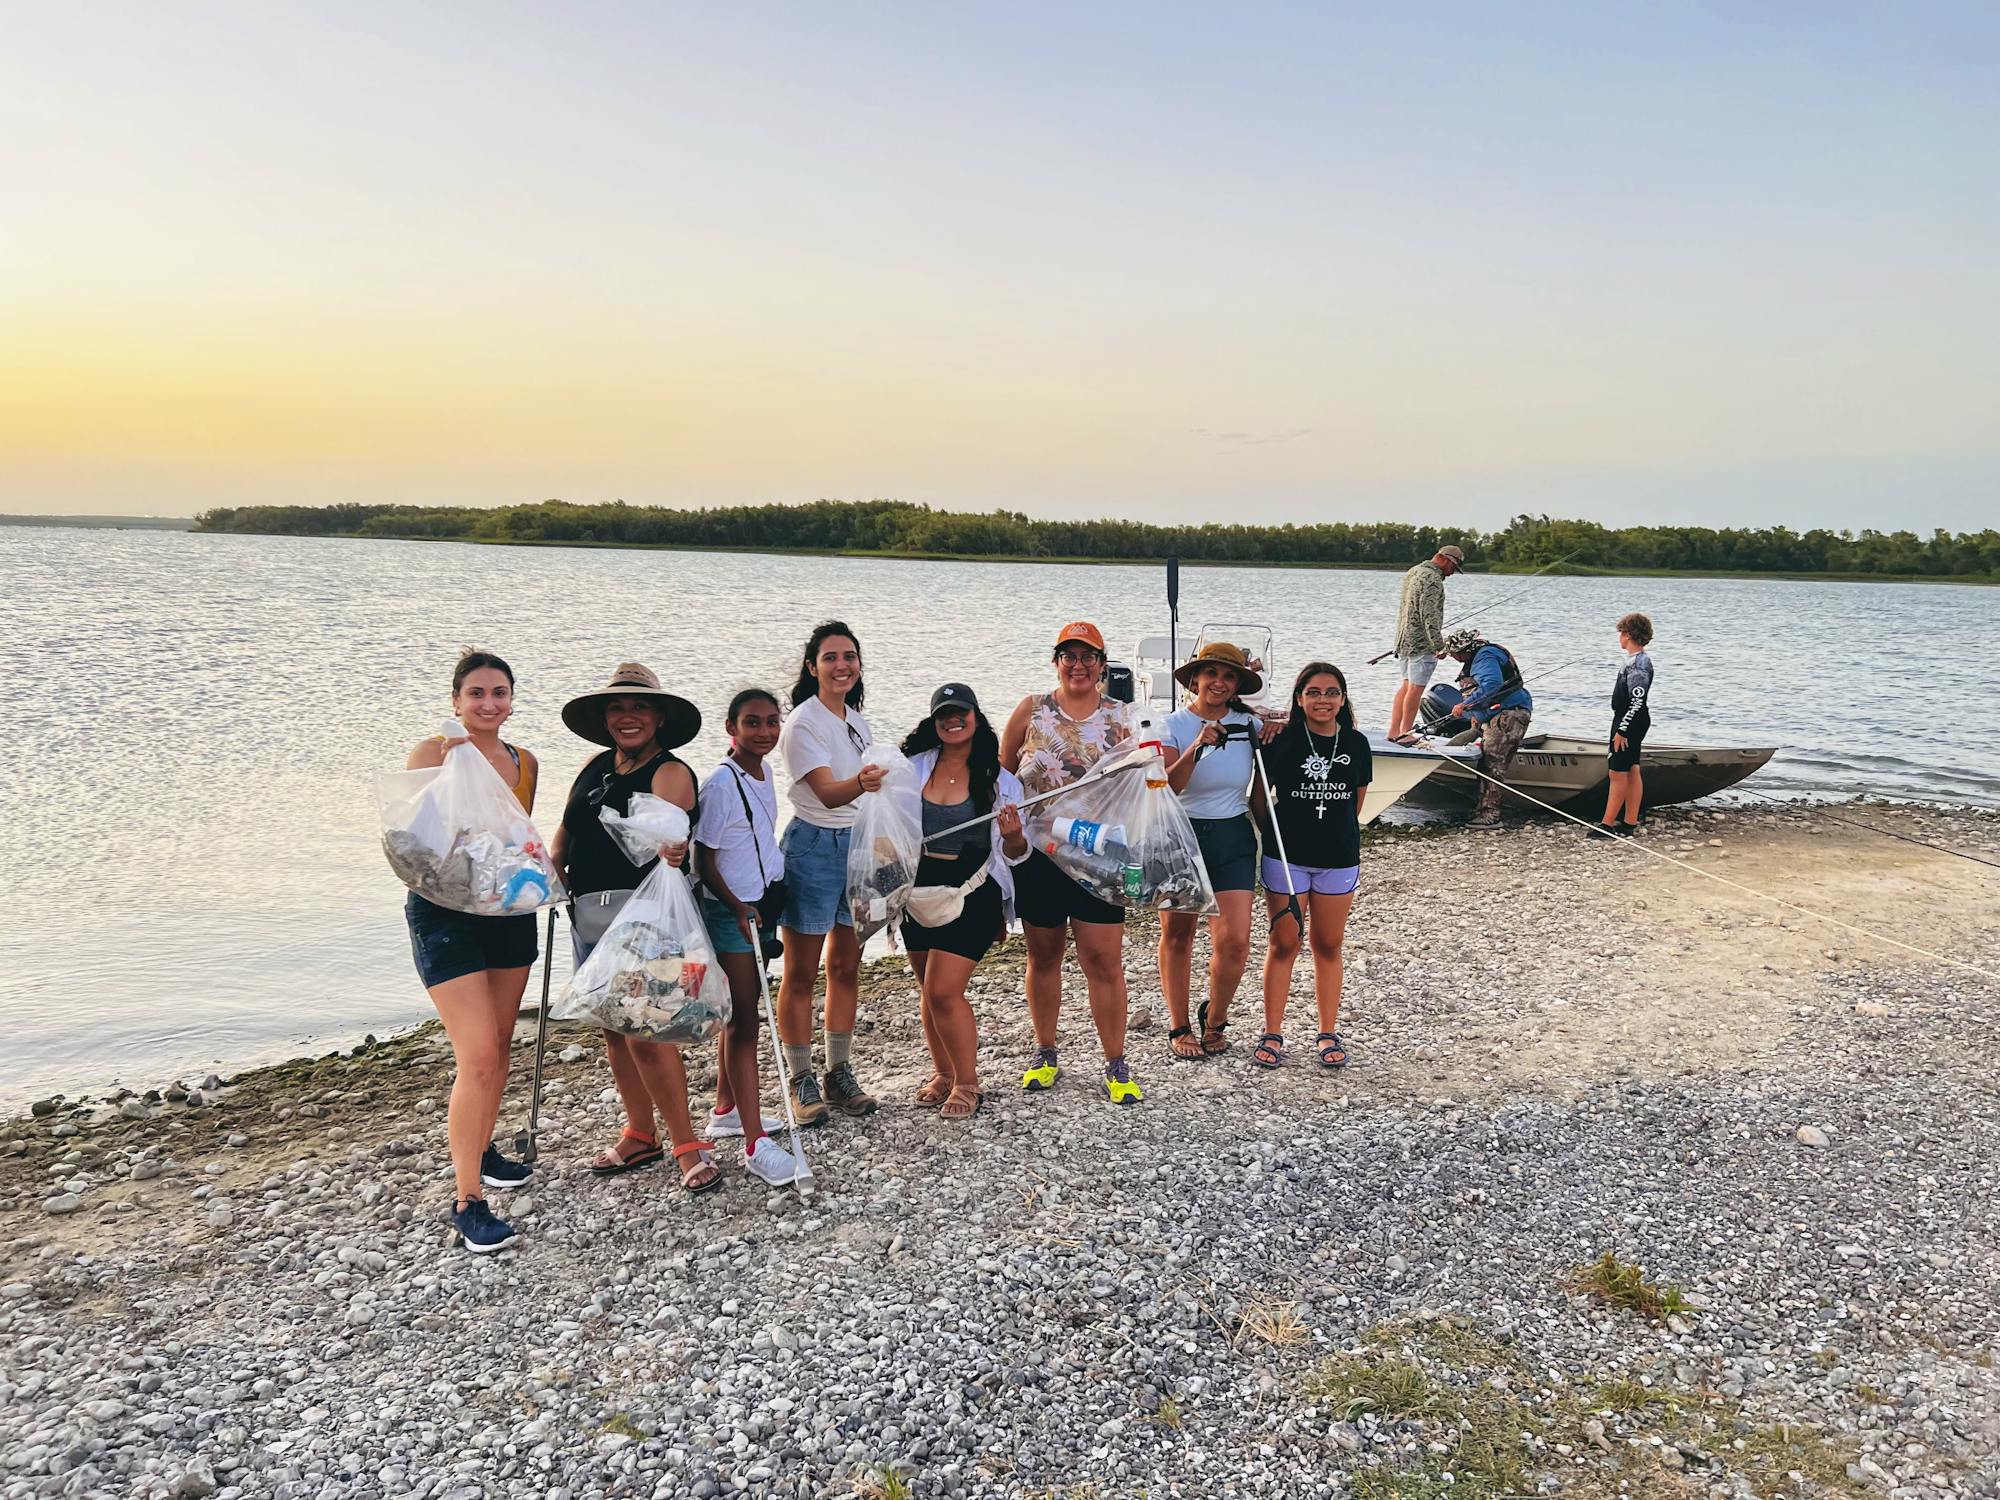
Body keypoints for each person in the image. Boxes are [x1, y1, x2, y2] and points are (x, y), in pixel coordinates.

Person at [551, 663, 721, 1194]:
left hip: (648, 921)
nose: (627, 717)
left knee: (649, 1032)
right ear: (604, 719)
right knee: (613, 1028)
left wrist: (676, 849)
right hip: (590, 914)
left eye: (639, 706)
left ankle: (688, 1145)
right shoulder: (593, 766)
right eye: (617, 708)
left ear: (659, 717)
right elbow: (565, 832)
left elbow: (676, 836)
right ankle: (640, 1132)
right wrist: (551, 872)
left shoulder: (671, 772)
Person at [400, 650, 542, 1253]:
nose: (489, 704)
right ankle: (467, 1201)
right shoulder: (434, 753)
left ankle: (482, 1150)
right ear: (456, 700)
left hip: (506, 912)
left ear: (512, 700)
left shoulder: (524, 761)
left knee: (503, 1042)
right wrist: (448, 777)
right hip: (444, 914)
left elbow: (514, 840)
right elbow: (409, 842)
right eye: (477, 694)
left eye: (500, 693)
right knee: (478, 1054)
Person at [999, 621, 1143, 1105]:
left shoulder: (1121, 716)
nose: (1078, 666)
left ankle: (1115, 1062)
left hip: (1099, 855)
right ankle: (1045, 1051)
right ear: (1056, 661)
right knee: (1043, 955)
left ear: (1102, 664)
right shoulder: (1032, 709)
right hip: (1040, 855)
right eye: (1069, 656)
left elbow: (1140, 784)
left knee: (1104, 960)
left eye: (1088, 657)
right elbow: (1001, 773)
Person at [898, 684, 1029, 1119]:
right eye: (944, 715)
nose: (952, 721)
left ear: (976, 717)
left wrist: (1014, 837)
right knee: (927, 989)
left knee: (943, 990)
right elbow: (884, 827)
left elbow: (1015, 854)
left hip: (974, 891)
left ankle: (968, 1083)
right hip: (916, 893)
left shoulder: (1002, 781)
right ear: (934, 722)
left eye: (961, 713)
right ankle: (944, 1071)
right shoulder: (910, 769)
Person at [776, 622, 887, 1126]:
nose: (842, 665)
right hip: (814, 846)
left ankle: (838, 1071)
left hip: (858, 846)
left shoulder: (857, 722)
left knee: (846, 965)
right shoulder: (802, 723)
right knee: (801, 971)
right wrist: (866, 783)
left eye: (850, 656)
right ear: (812, 666)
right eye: (830, 657)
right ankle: (800, 1077)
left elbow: (866, 795)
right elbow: (827, 793)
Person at [691, 688, 800, 1184]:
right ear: (731, 728)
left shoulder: (765, 772)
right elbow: (704, 858)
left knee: (743, 1008)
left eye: (772, 722)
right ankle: (756, 1143)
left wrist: (762, 901)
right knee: (744, 1019)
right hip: (731, 912)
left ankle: (727, 1110)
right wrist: (737, 909)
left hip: (759, 906)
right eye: (752, 723)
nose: (764, 732)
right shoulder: (719, 783)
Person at [1251, 662, 1372, 1071]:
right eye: (1314, 692)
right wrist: (1275, 838)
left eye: (1332, 692)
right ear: (1299, 698)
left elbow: (1355, 803)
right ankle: (1272, 1030)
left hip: (1338, 858)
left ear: (1342, 698)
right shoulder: (1281, 741)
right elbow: (1259, 801)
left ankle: (1327, 1030)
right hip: (1287, 857)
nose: (1323, 700)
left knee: (1328, 944)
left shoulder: (1355, 743)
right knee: (1284, 943)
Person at [1158, 642, 1267, 1062]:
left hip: (1233, 835)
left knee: (1236, 940)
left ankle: (1216, 1019)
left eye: (1229, 676)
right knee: (1178, 934)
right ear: (1195, 679)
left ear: (1237, 684)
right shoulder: (1173, 725)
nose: (1219, 682)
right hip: (1181, 836)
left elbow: (1260, 781)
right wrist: (1197, 746)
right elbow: (1168, 786)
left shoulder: (1248, 724)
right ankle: (1178, 1024)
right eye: (1212, 674)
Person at [1442, 628, 1533, 827]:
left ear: (1462, 652)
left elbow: (1492, 684)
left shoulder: (1484, 658)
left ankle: (1489, 816)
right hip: (1501, 715)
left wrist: (1466, 704)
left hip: (1508, 715)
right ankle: (1482, 811)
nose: (1453, 658)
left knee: (1492, 766)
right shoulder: (1484, 653)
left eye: (1453, 655)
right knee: (1488, 763)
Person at [1388, 544, 1464, 743]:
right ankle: (1405, 734)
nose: (1452, 573)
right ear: (1446, 560)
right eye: (1453, 568)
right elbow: (1428, 615)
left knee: (1406, 686)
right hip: (1421, 644)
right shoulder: (1433, 579)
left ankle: (1394, 732)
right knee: (1415, 688)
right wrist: (1439, 646)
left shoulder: (1414, 571)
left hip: (1404, 641)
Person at [1592, 613, 1655, 839]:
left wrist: (1622, 729)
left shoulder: (1638, 663)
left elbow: (1637, 699)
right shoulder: (1636, 660)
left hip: (1629, 719)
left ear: (1628, 635)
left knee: (1617, 772)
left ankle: (1607, 824)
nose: (1619, 637)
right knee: (1632, 769)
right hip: (1633, 718)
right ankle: (1629, 821)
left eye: (1621, 633)